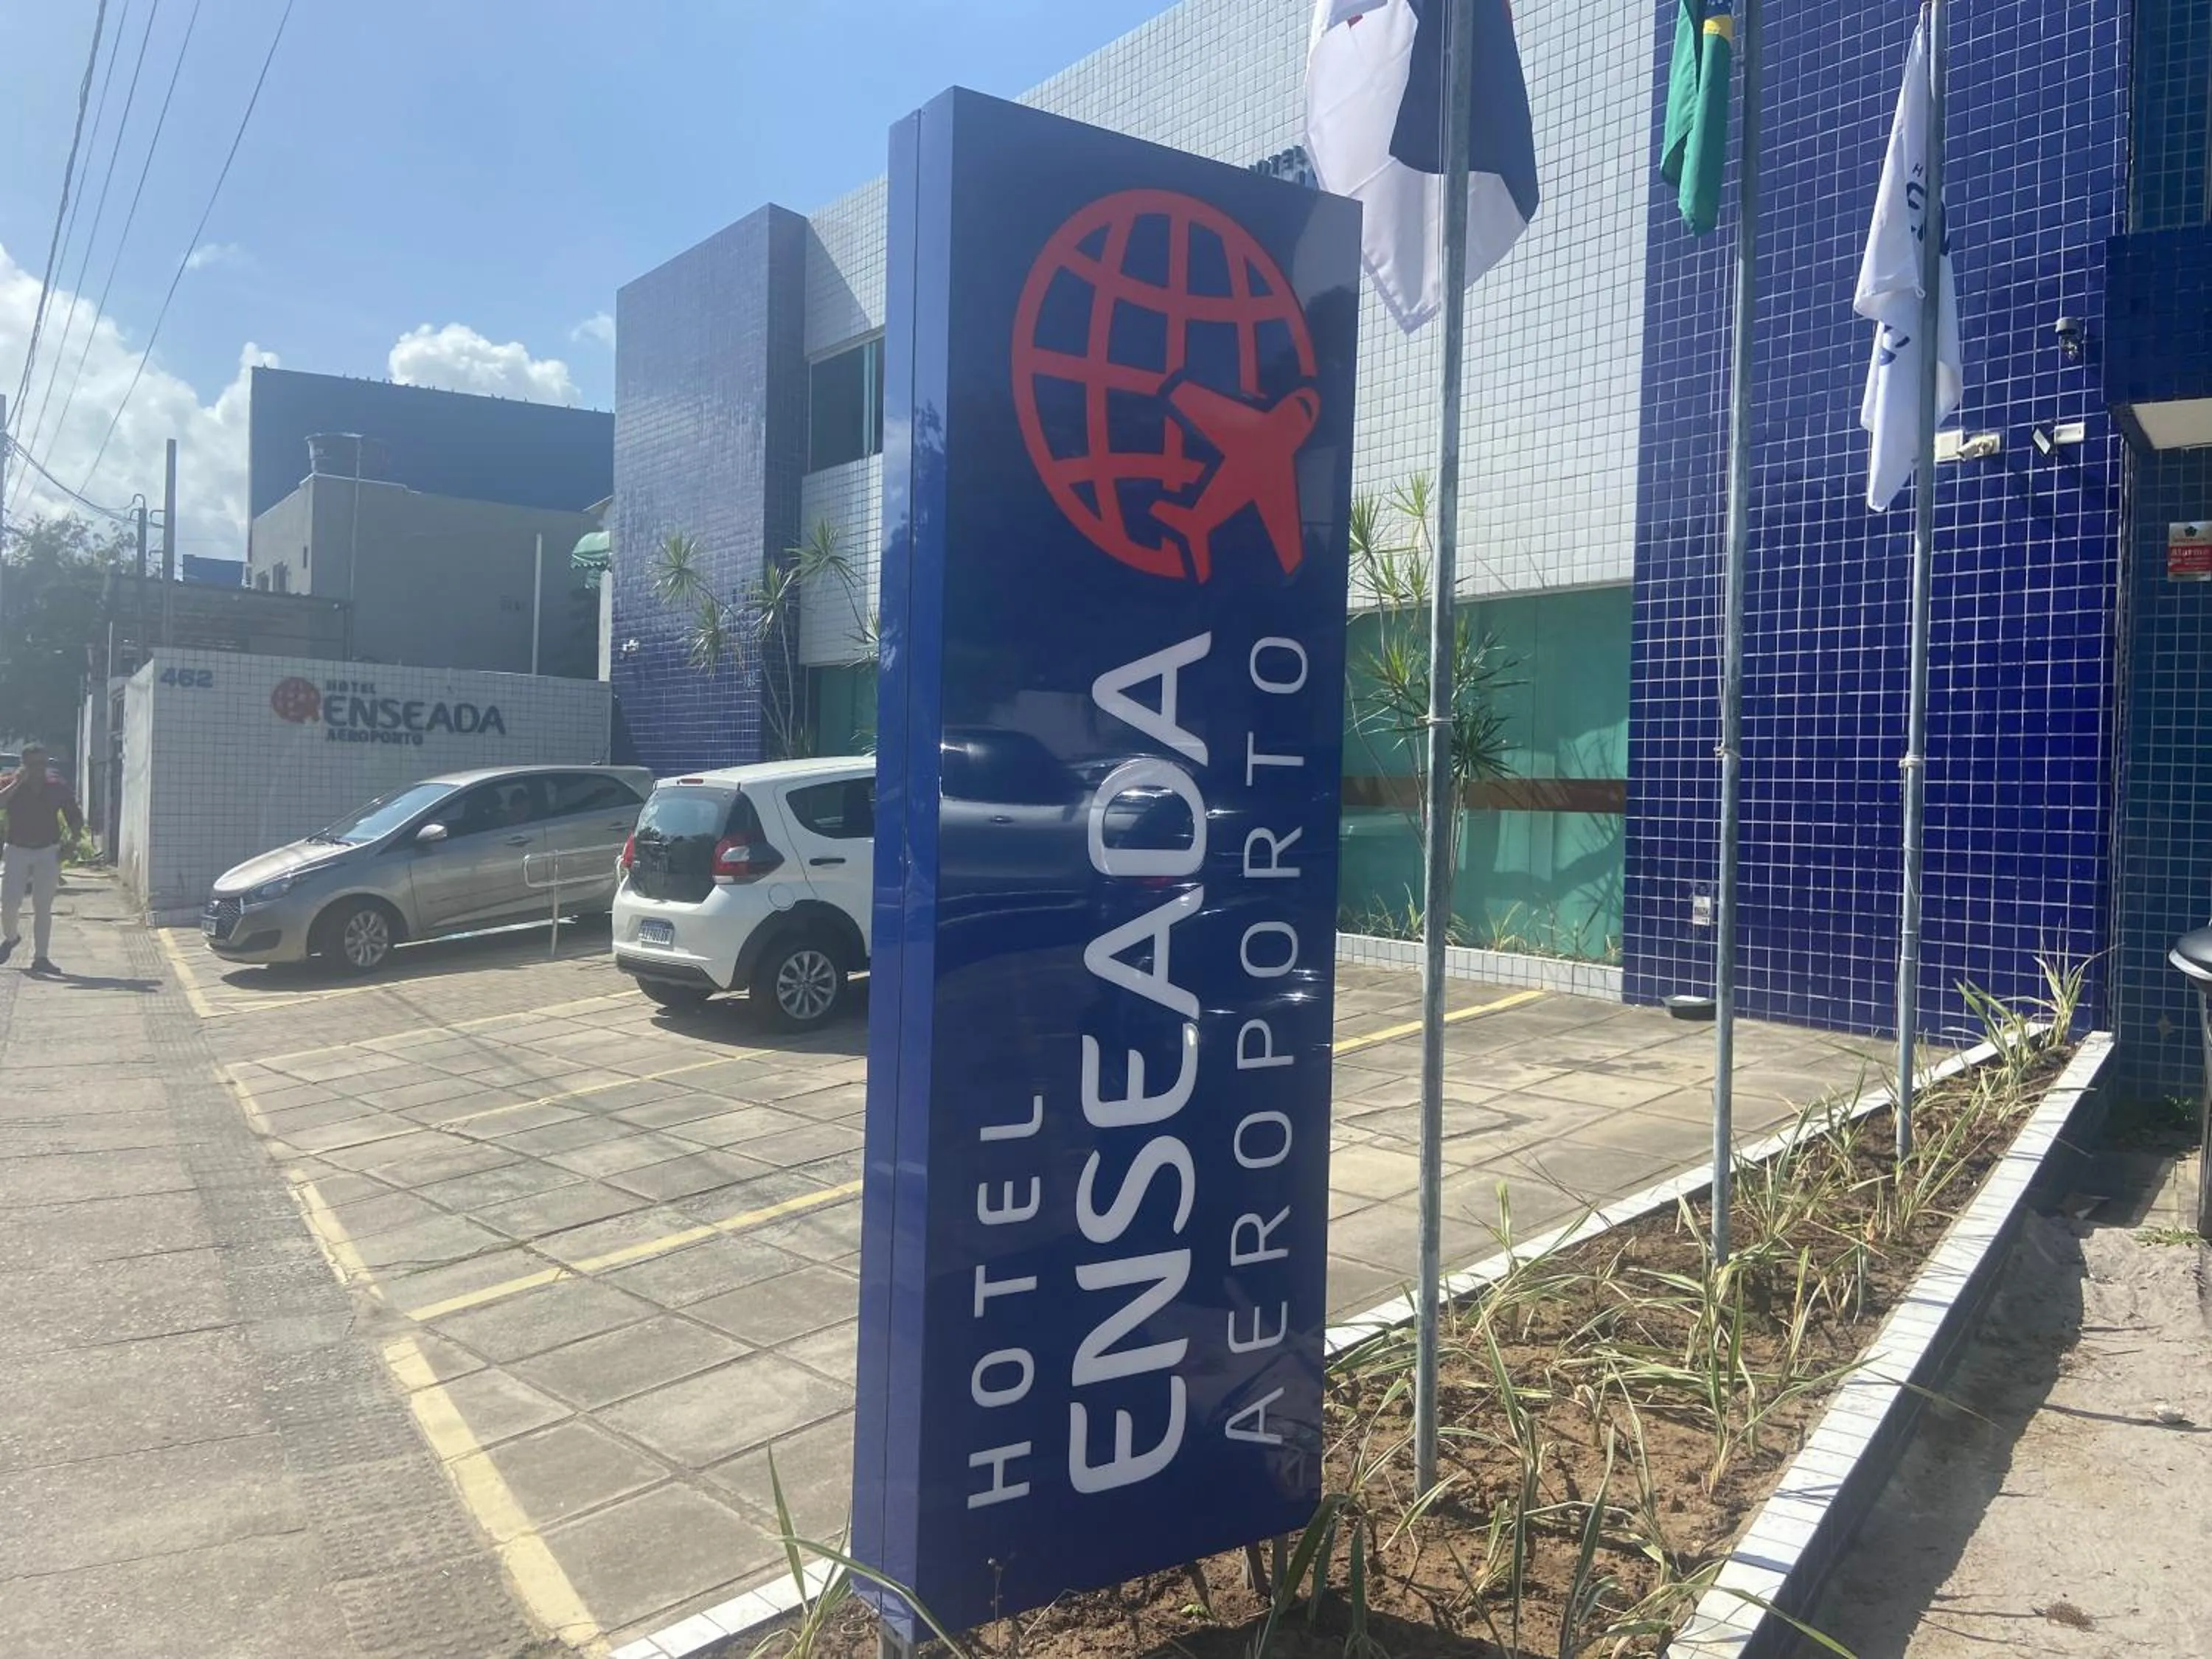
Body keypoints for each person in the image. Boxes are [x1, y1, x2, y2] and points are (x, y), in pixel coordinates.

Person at [0, 743, 86, 975]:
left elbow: (74, 816)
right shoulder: (10, 782)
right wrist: (18, 782)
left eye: (43, 763)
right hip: (17, 849)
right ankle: (11, 937)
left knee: (42, 905)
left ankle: (41, 957)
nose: (39, 769)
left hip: (48, 850)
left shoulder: (56, 787)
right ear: (24, 764)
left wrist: (73, 842)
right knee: (8, 903)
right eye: (33, 764)